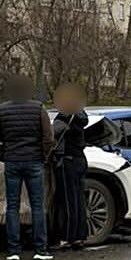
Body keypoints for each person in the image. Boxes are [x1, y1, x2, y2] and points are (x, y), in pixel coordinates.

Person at [0, 75, 55, 260]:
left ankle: (13, 250)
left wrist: (4, 155)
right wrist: (43, 156)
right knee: (37, 206)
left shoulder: (2, 110)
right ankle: (40, 249)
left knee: (12, 206)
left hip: (12, 162)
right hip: (34, 161)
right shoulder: (38, 108)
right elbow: (48, 138)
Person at [51, 83, 89, 249]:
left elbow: (53, 134)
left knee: (67, 201)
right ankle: (80, 236)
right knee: (79, 200)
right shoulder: (80, 119)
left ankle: (67, 237)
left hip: (68, 161)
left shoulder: (63, 118)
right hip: (80, 159)